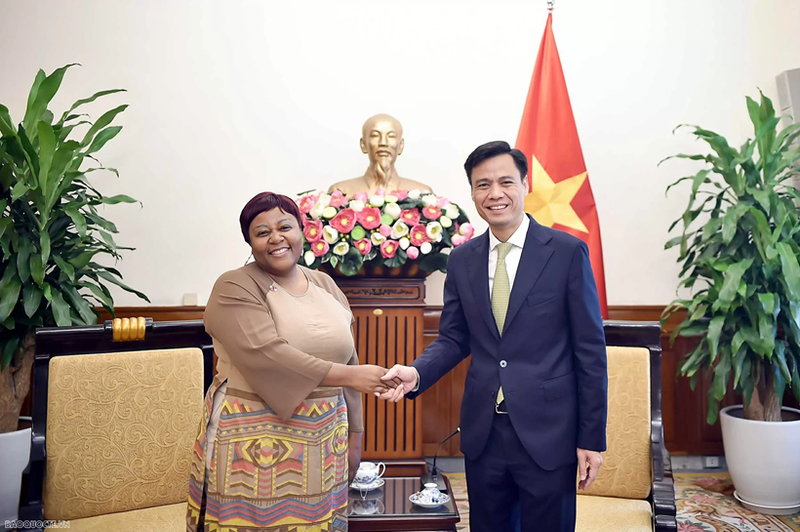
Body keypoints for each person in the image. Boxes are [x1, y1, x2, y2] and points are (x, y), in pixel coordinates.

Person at [381, 141, 608, 532]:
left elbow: (589, 352)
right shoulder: (462, 259)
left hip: (548, 431)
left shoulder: (567, 252)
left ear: (524, 183)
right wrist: (416, 373)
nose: (495, 193)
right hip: (485, 431)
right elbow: (454, 338)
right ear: (472, 192)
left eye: (505, 181)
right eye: (483, 184)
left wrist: (591, 439)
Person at [187, 192, 396, 532]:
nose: (276, 238)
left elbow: (349, 356)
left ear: (302, 229)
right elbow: (267, 353)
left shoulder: (324, 282)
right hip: (251, 438)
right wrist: (352, 375)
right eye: (262, 232)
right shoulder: (234, 285)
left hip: (326, 437)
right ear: (250, 242)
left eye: (285, 226)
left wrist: (356, 436)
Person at [328, 113, 434, 196]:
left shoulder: (422, 194)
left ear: (401, 145)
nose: (383, 142)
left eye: (391, 136)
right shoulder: (341, 192)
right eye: (375, 135)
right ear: (363, 144)